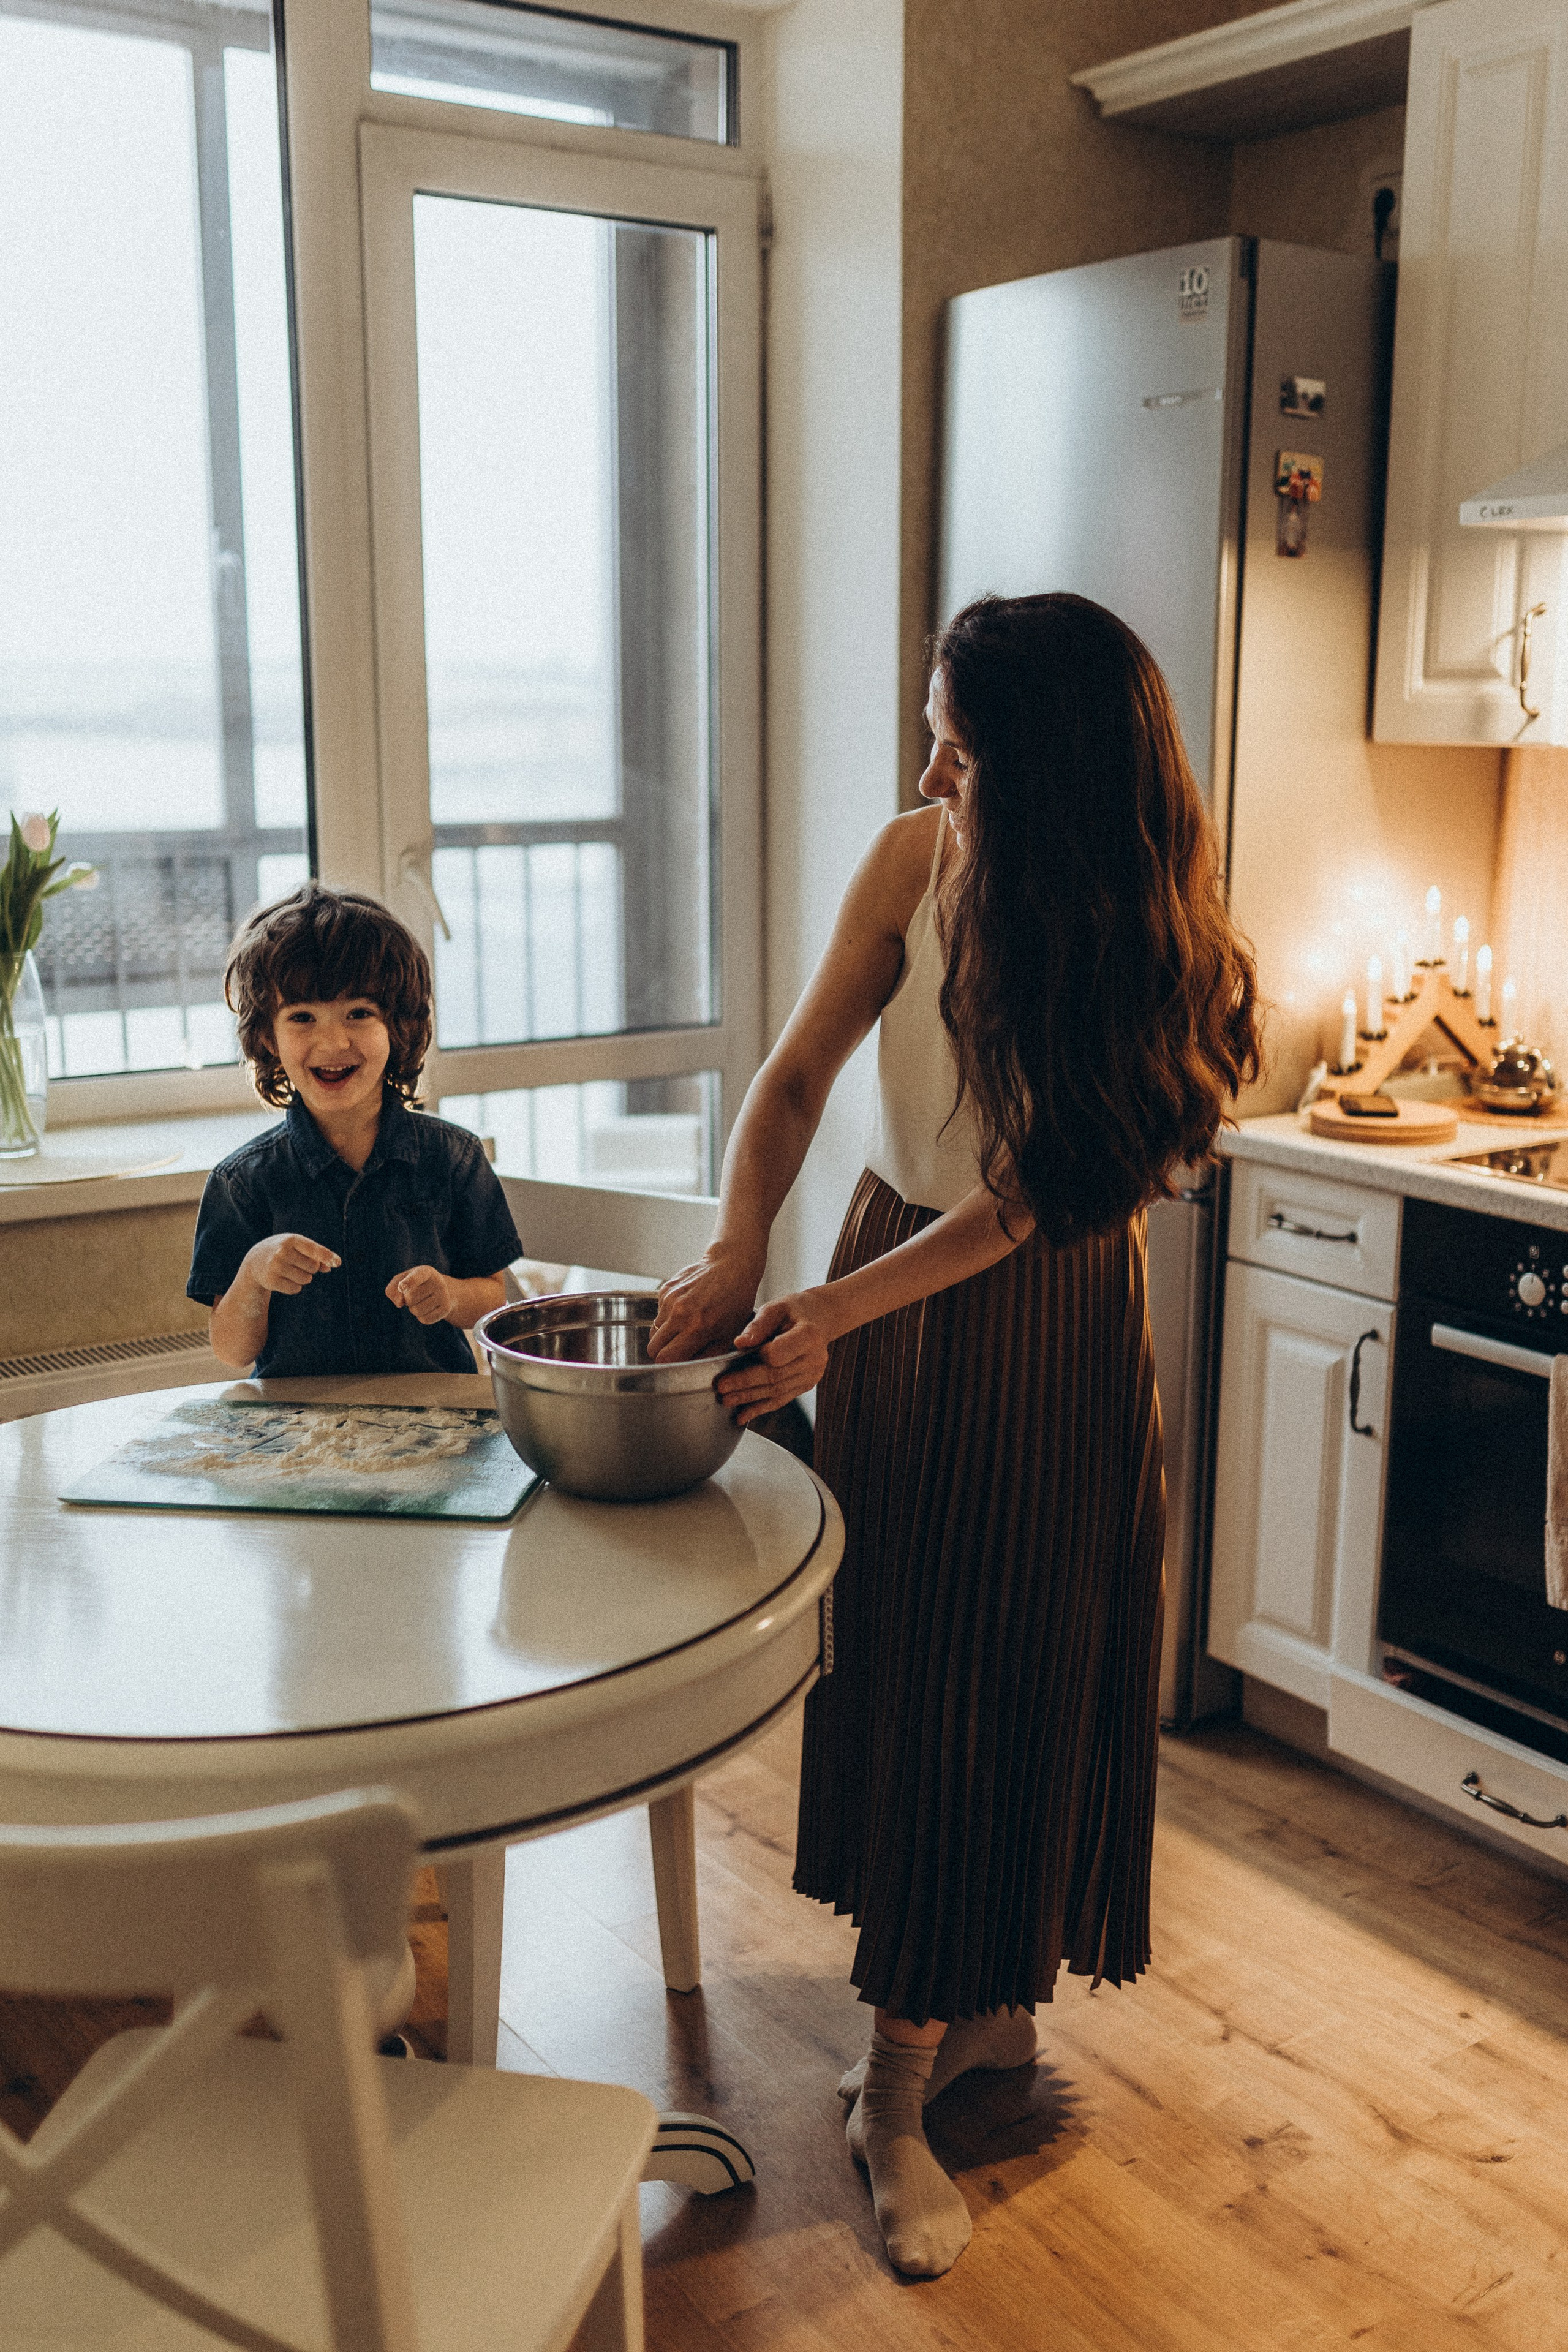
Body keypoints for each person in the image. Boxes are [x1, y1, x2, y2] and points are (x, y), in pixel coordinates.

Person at [648, 592, 1261, 2279]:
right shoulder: (915, 862)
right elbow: (788, 1084)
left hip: (1054, 1316)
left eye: (962, 747)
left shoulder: (1146, 929)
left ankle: (981, 2015)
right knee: (931, 1663)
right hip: (901, 1299)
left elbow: (1025, 1205)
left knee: (1044, 1654)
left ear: (1053, 781)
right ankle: (893, 2088)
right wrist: (740, 1248)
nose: (930, 768)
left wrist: (832, 1318)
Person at [189, 884, 522, 1376]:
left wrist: (450, 1295)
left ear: (399, 1027)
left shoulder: (455, 1159)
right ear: (267, 1036)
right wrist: (255, 1273)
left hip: (432, 1421)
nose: (333, 1041)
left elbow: (496, 1298)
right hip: (301, 1435)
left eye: (359, 1013)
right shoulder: (241, 1183)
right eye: (302, 1017)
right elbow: (232, 1350)